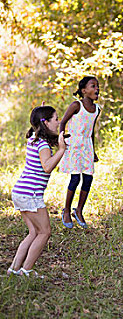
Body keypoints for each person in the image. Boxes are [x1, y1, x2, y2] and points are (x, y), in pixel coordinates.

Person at [8, 106, 67, 277]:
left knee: (34, 232)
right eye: (56, 119)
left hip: (20, 191)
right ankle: (26, 271)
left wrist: (40, 113)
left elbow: (41, 126)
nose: (58, 122)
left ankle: (14, 269)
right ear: (46, 122)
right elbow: (47, 166)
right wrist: (62, 150)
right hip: (30, 194)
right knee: (45, 232)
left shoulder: (34, 137)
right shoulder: (42, 145)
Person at [59, 76, 101, 228]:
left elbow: (91, 132)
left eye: (97, 86)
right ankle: (66, 210)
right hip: (74, 145)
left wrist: (94, 151)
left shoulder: (97, 109)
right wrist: (61, 140)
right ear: (84, 91)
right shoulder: (76, 105)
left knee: (88, 179)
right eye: (93, 86)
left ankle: (79, 210)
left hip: (87, 146)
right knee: (75, 179)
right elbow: (63, 122)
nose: (97, 88)